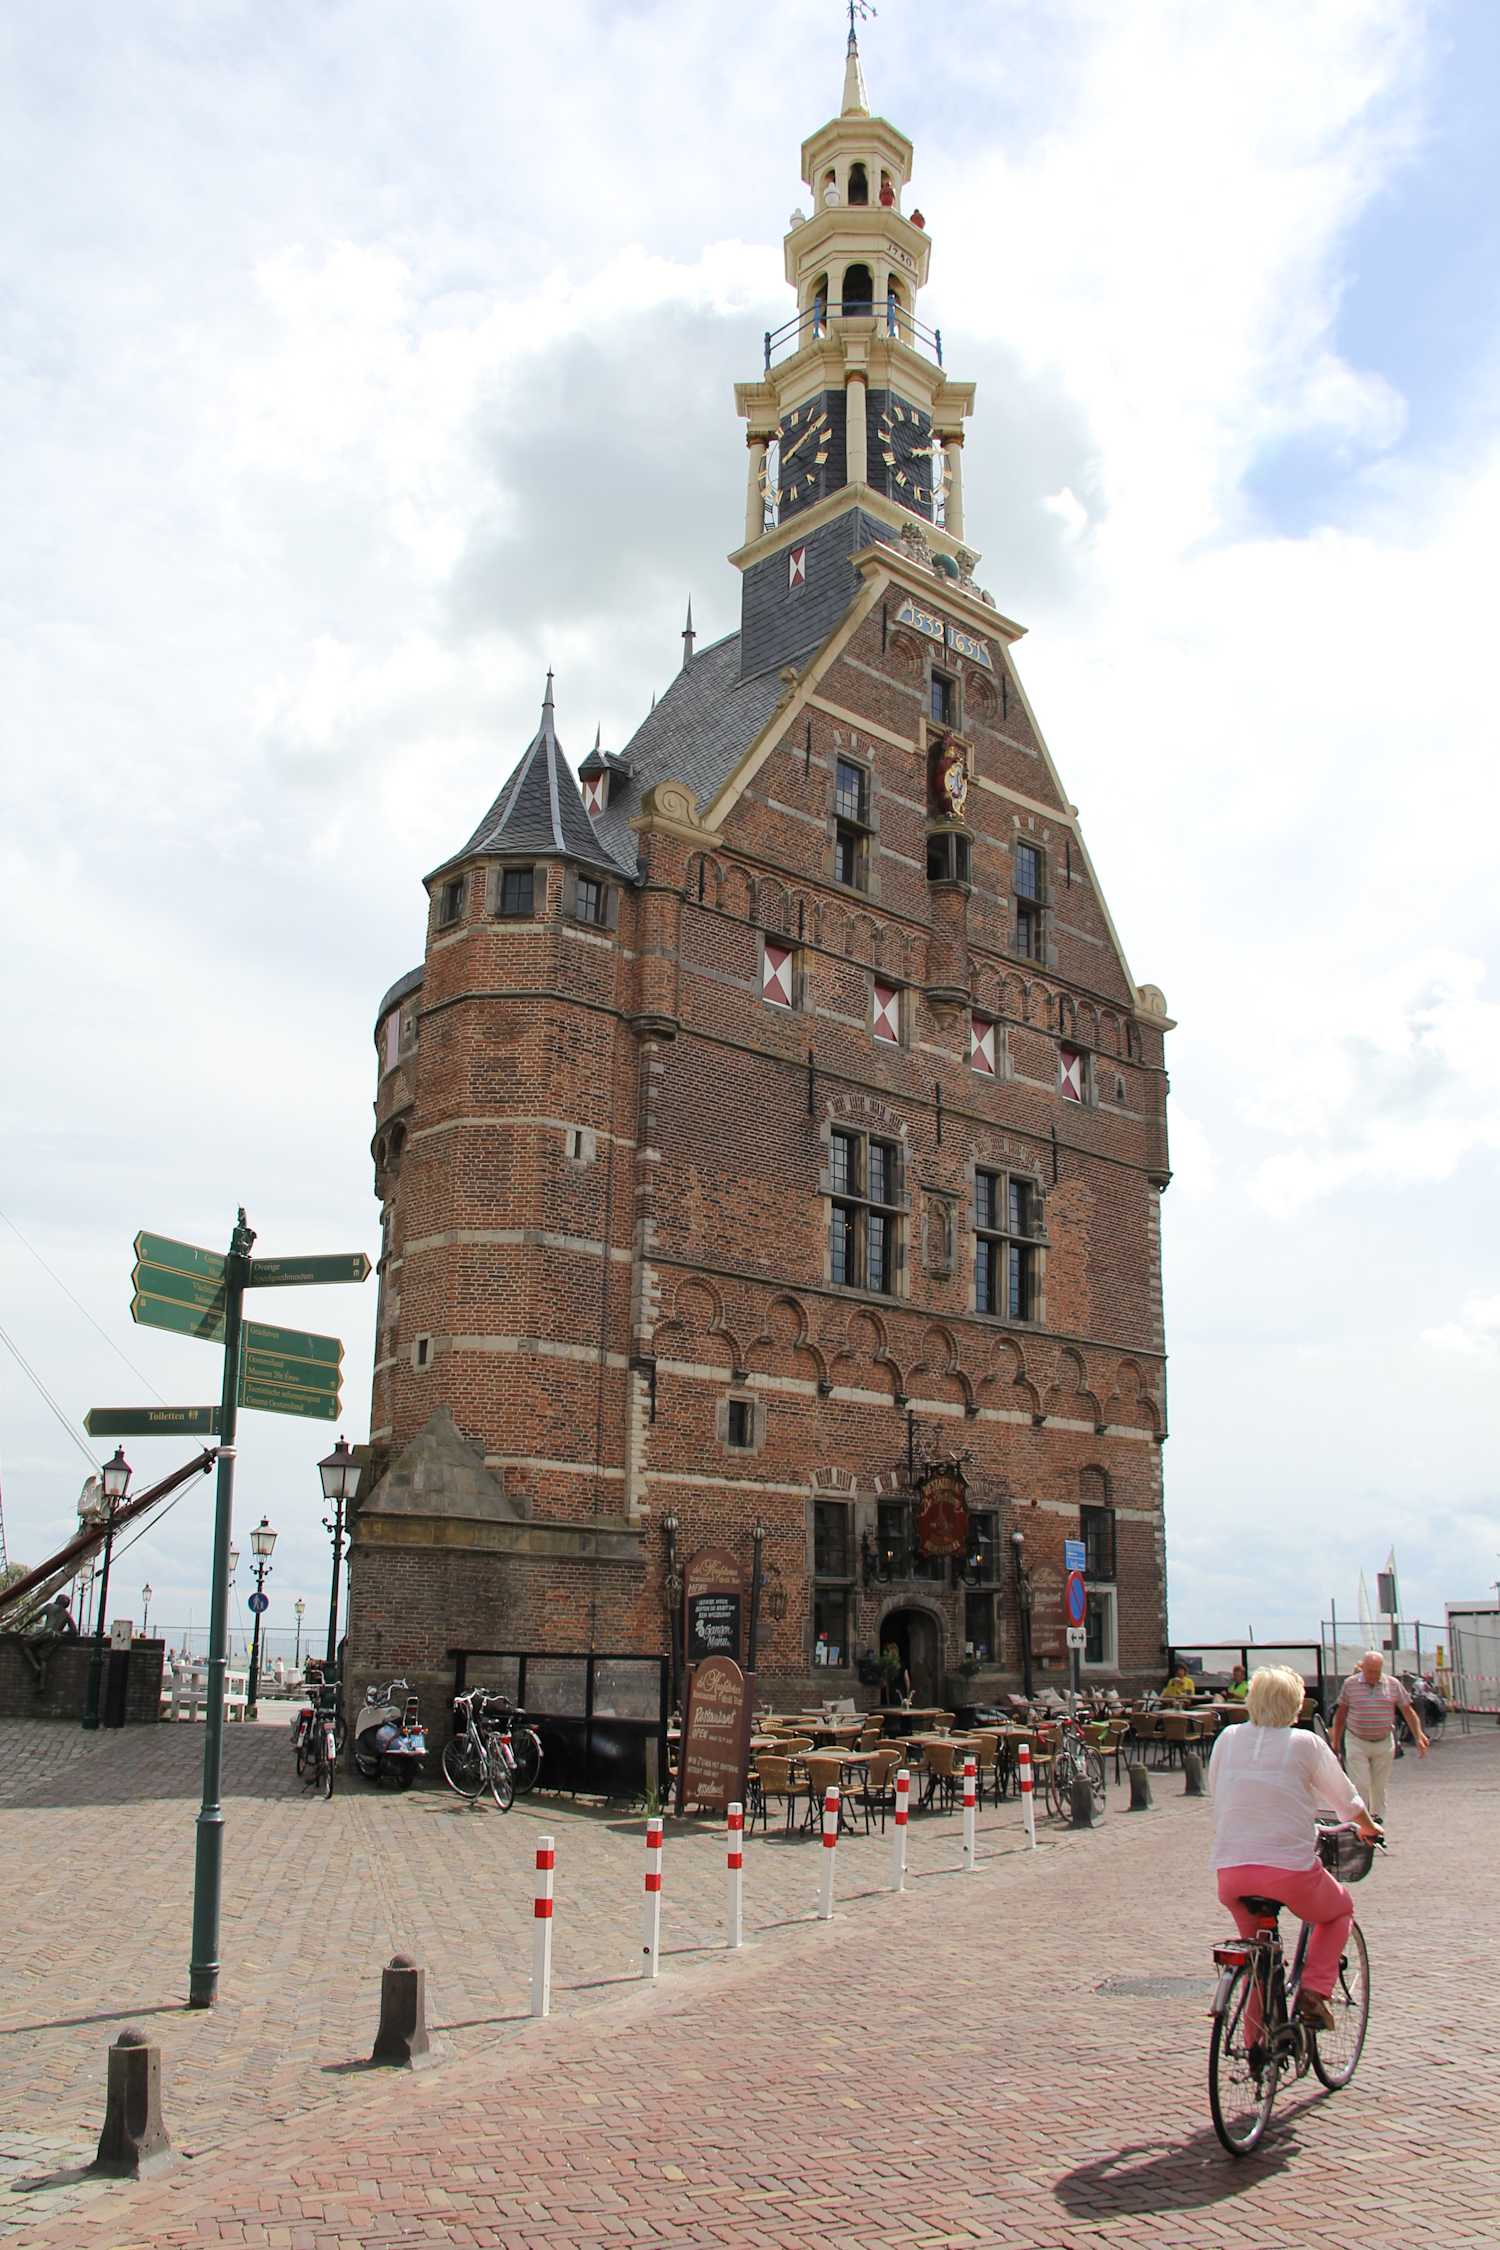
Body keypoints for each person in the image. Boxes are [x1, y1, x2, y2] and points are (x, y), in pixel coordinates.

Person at [1209, 1664, 1380, 2032]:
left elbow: (1218, 1791)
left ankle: (1255, 2049)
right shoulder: (1305, 1743)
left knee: (1257, 1962)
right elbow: (1346, 1801)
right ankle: (1314, 1992)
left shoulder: (1227, 1737)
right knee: (1338, 1911)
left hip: (1232, 1873)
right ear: (1295, 1705)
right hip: (1289, 1873)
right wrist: (1368, 1827)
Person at [1331, 1650, 1428, 1821]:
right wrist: (1336, 1741)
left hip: (1383, 1741)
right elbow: (1341, 1713)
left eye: (1376, 1671)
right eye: (1369, 1671)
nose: (1373, 1676)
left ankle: (1378, 1822)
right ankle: (1362, 1823)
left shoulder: (1393, 1684)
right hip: (1356, 1739)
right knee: (1360, 1784)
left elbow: (1408, 1711)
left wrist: (1418, 1735)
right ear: (1363, 1668)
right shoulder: (1350, 1684)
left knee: (1379, 1787)